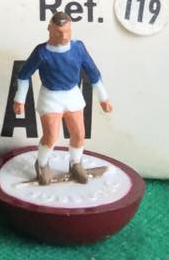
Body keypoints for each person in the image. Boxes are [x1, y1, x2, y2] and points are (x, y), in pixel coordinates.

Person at [14, 12, 112, 185]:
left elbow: (93, 72)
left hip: (72, 95)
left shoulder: (78, 48)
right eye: (60, 32)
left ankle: (76, 163)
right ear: (50, 29)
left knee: (79, 134)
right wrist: (19, 99)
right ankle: (42, 164)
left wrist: (103, 97)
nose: (64, 36)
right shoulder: (41, 52)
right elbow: (24, 75)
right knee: (51, 136)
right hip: (50, 97)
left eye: (68, 31)